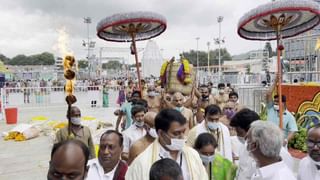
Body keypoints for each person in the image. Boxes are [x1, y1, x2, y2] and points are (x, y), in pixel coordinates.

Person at [126, 109, 208, 180]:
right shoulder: (142, 162)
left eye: (183, 132)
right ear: (161, 133)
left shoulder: (193, 155)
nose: (182, 137)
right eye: (176, 133)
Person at [230, 108, 294, 180]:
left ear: (254, 145)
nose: (246, 141)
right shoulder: (260, 168)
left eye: (248, 139)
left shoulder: (282, 157)